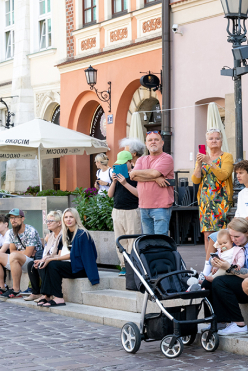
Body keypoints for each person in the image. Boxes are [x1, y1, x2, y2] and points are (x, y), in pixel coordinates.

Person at [201, 218, 248, 336]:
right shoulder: (235, 241)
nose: (233, 240)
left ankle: (239, 324)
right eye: (231, 236)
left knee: (219, 282)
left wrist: (229, 268)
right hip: (239, 280)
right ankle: (218, 320)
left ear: (247, 232)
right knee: (206, 284)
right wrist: (213, 261)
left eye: (236, 236)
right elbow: (219, 245)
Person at [37, 208, 100, 308]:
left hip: (81, 268)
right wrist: (46, 258)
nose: (68, 219)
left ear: (76, 219)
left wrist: (52, 259)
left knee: (53, 264)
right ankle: (47, 295)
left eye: (71, 217)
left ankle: (58, 298)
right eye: (66, 217)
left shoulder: (82, 234)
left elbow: (75, 255)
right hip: (71, 265)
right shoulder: (66, 234)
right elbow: (61, 254)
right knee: (46, 264)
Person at [192, 129, 235, 260]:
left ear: (221, 141)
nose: (214, 141)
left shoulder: (226, 156)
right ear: (206, 142)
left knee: (223, 235)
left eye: (217, 138)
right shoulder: (202, 158)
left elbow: (224, 175)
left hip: (221, 200)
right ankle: (209, 264)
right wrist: (199, 165)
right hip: (206, 201)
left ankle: (224, 261)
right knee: (208, 235)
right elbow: (195, 180)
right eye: (211, 139)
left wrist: (209, 161)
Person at [130, 130, 175, 237]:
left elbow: (154, 173)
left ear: (162, 143)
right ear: (146, 144)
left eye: (156, 139)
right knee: (148, 242)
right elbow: (133, 177)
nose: (153, 142)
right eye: (150, 140)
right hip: (144, 206)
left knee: (160, 241)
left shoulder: (167, 158)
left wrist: (136, 171)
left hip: (161, 207)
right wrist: (155, 179)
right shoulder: (141, 159)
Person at [108, 144, 143, 275]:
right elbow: (110, 195)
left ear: (130, 162)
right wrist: (114, 182)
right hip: (117, 211)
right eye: (119, 164)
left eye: (124, 163)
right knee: (120, 239)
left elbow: (139, 194)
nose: (121, 166)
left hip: (132, 211)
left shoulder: (135, 176)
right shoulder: (117, 178)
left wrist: (125, 183)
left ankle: (133, 265)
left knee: (132, 240)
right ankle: (123, 265)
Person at [0, 208, 42, 298]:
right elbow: (12, 251)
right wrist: (21, 252)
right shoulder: (11, 232)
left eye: (15, 217)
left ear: (22, 218)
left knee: (14, 256)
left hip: (32, 262)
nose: (13, 220)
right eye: (11, 218)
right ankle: (2, 287)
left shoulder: (30, 231)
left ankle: (16, 290)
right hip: (17, 260)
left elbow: (28, 254)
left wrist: (18, 252)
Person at [25, 211, 64, 302]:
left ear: (59, 223)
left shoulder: (63, 235)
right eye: (47, 221)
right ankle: (36, 292)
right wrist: (42, 259)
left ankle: (47, 294)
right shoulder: (50, 235)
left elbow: (60, 254)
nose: (48, 223)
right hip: (49, 258)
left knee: (42, 264)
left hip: (58, 260)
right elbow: (46, 252)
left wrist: (44, 259)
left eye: (51, 221)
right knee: (31, 264)